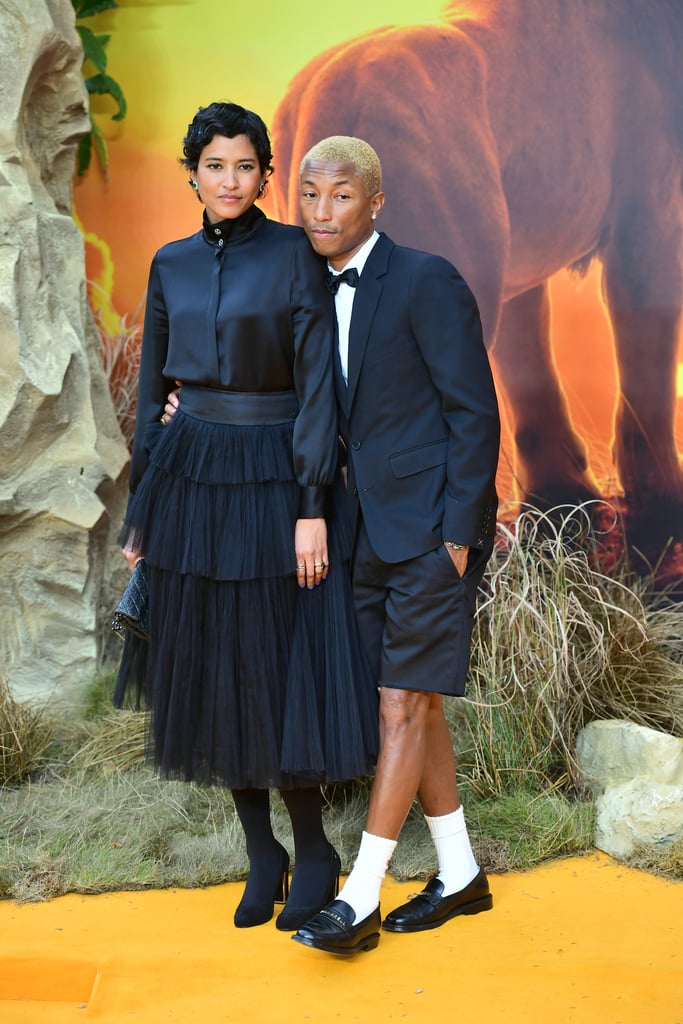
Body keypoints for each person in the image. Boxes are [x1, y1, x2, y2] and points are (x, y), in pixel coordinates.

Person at [115, 105, 378, 934]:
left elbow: (318, 392)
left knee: (272, 659)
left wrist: (310, 508)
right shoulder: (170, 264)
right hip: (190, 476)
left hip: (275, 475)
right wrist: (142, 513)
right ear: (190, 172)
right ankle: (259, 850)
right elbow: (150, 392)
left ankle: (313, 849)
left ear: (267, 174)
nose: (229, 180)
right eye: (214, 165)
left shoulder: (297, 256)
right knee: (210, 662)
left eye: (245, 166)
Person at [289, 137, 501, 955]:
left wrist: (456, 537)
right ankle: (460, 874)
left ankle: (359, 897)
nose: (320, 211)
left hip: (427, 534)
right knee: (417, 700)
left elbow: (471, 414)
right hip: (360, 534)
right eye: (309, 195)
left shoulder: (423, 278)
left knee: (398, 705)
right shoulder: (310, 284)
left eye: (339, 196)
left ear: (375, 202)